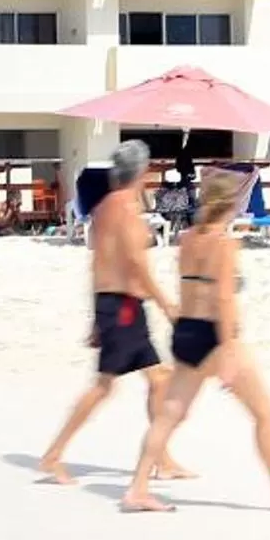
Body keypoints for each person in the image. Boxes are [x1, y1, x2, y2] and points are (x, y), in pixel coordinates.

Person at [121, 168, 270, 515]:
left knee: (169, 415)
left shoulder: (186, 239)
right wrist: (228, 350)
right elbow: (224, 299)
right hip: (216, 335)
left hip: (186, 331)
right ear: (231, 205)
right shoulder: (225, 244)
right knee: (265, 414)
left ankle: (138, 488)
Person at [37, 140, 196, 487]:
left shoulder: (104, 208)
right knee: (104, 387)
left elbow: (98, 264)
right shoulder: (125, 207)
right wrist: (167, 304)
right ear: (141, 171)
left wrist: (97, 318)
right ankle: (53, 455)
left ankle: (162, 459)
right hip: (124, 308)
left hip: (116, 306)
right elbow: (137, 264)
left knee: (158, 379)